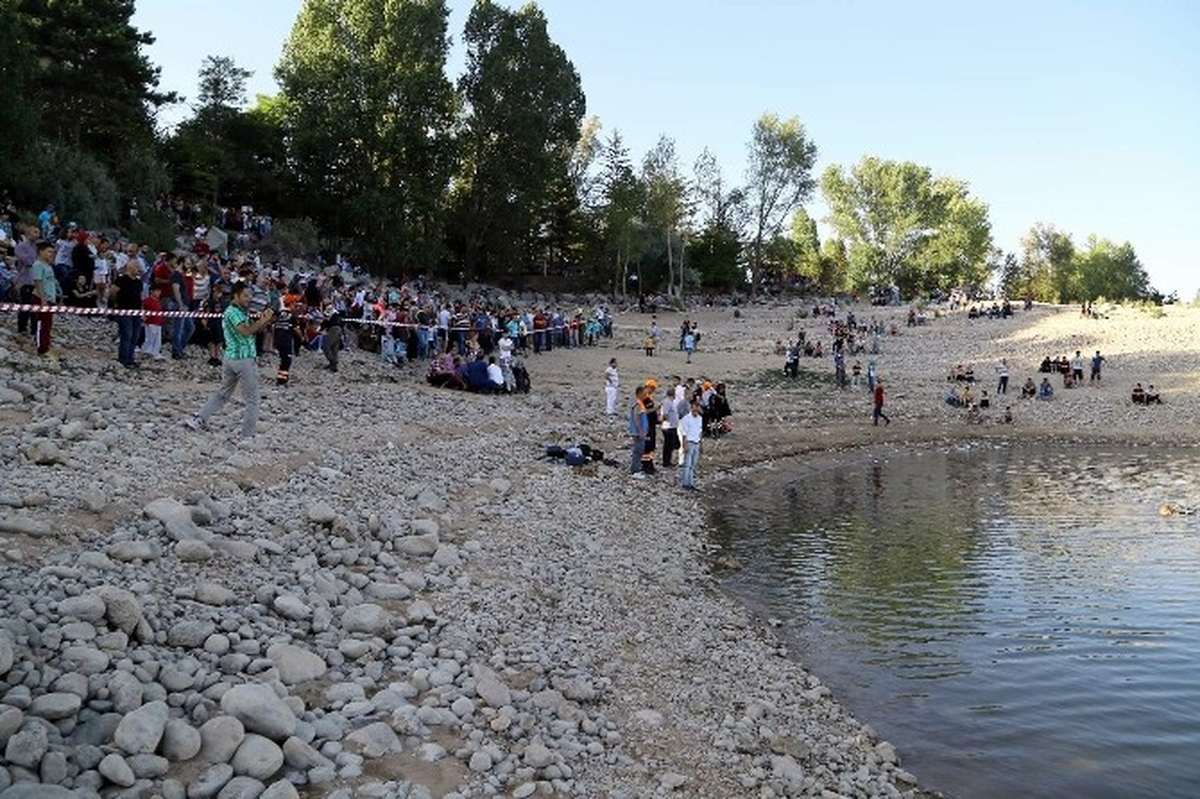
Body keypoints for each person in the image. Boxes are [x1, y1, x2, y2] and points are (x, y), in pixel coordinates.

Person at [185, 282, 276, 439]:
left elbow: (254, 330)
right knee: (252, 399)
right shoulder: (233, 312)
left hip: (231, 358)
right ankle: (247, 436)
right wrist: (262, 321)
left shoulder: (240, 312)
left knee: (222, 394)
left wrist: (266, 320)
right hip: (243, 359)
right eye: (246, 296)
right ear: (236, 295)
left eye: (250, 295)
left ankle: (200, 419)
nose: (249, 298)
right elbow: (246, 332)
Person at [110, 257, 145, 369]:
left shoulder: (138, 282)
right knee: (127, 334)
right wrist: (116, 305)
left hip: (136, 312)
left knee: (135, 336)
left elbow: (139, 296)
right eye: (136, 267)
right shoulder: (121, 280)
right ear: (130, 267)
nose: (138, 269)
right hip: (124, 310)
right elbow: (113, 292)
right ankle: (123, 359)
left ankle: (130, 358)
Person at [29, 240, 58, 358]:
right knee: (42, 324)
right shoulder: (38, 265)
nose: (52, 254)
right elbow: (38, 282)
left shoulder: (48, 266)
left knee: (47, 324)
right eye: (49, 251)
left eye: (53, 252)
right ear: (41, 252)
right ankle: (41, 348)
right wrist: (43, 300)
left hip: (50, 298)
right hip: (41, 299)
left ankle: (45, 345)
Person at [679, 400, 704, 491]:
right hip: (689, 442)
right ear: (691, 408)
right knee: (687, 464)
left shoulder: (700, 418)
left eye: (697, 408)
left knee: (693, 464)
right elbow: (684, 433)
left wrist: (701, 444)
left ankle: (691, 483)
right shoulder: (686, 419)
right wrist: (684, 445)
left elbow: (700, 432)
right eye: (694, 408)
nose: (696, 411)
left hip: (696, 443)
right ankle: (685, 483)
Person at [628, 384, 649, 479]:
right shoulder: (637, 404)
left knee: (640, 450)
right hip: (638, 432)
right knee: (638, 451)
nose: (646, 396)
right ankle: (634, 471)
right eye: (644, 394)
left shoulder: (639, 403)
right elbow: (636, 418)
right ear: (639, 393)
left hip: (639, 431)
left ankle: (637, 468)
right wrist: (640, 431)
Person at [141, 285, 165, 360]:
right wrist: (144, 319)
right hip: (150, 322)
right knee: (150, 337)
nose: (159, 293)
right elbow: (142, 309)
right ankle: (147, 351)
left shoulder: (158, 301)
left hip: (158, 322)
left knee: (157, 338)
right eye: (157, 291)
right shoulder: (147, 301)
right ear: (151, 291)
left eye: (159, 291)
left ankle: (155, 352)